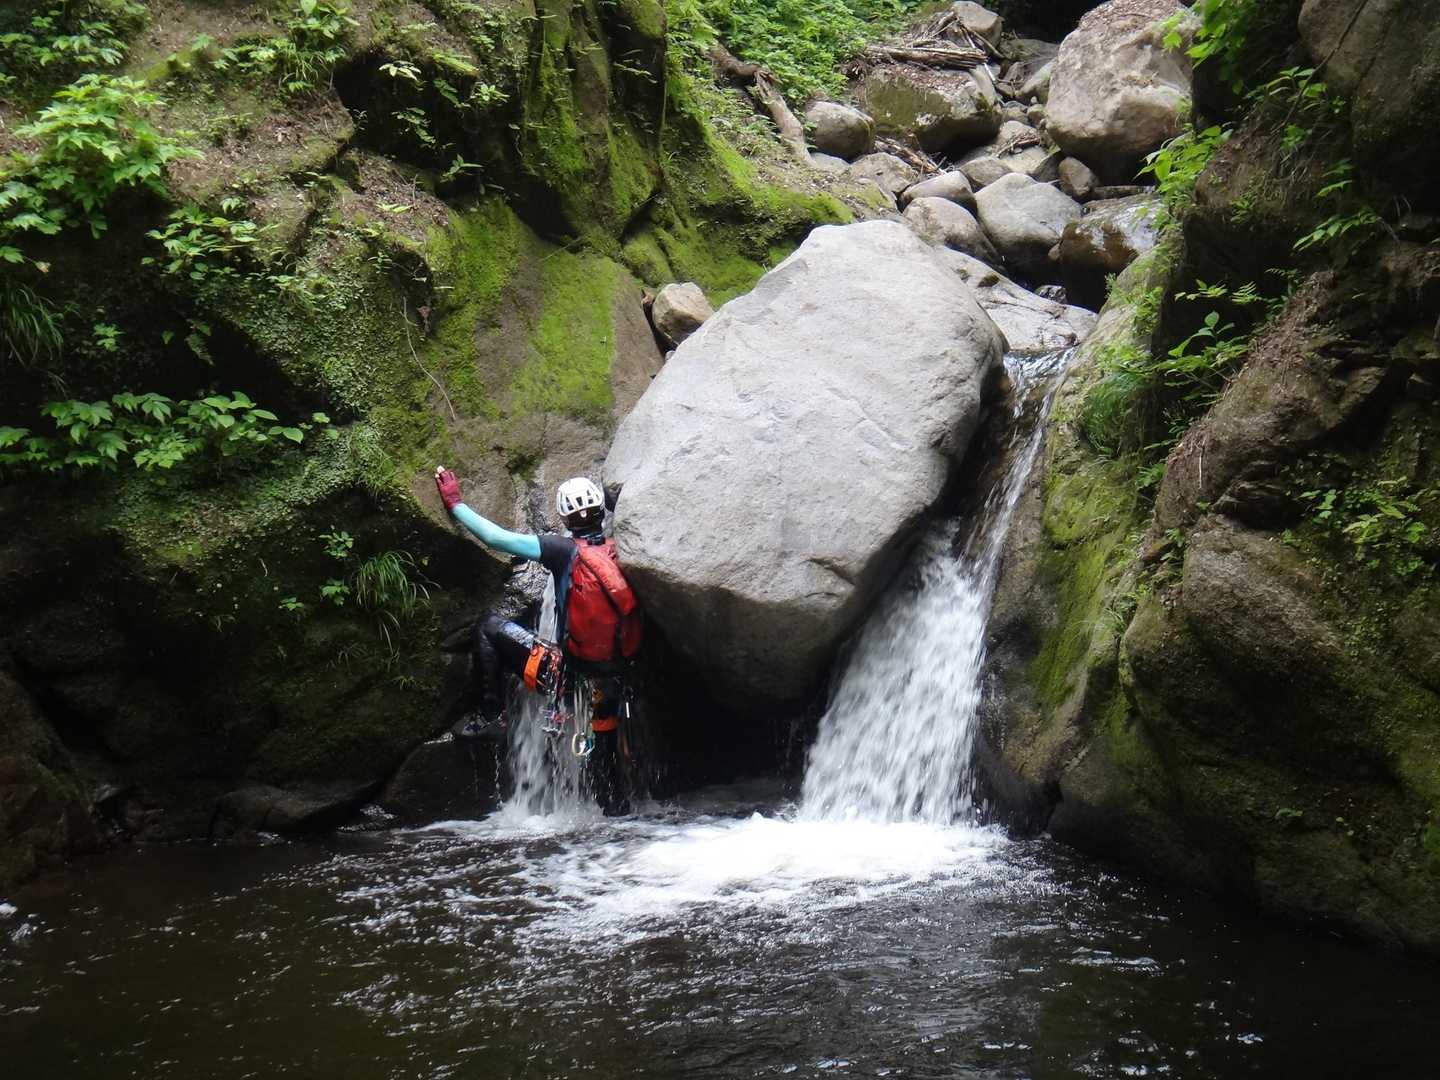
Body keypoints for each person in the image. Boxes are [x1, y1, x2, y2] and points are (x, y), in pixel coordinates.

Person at [433, 466, 640, 814]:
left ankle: (491, 715)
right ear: (601, 511)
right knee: (608, 781)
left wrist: (456, 504)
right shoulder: (623, 551)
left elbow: (497, 539)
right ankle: (616, 812)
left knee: (489, 626)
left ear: (565, 518)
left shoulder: (561, 550)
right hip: (617, 684)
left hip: (566, 680)